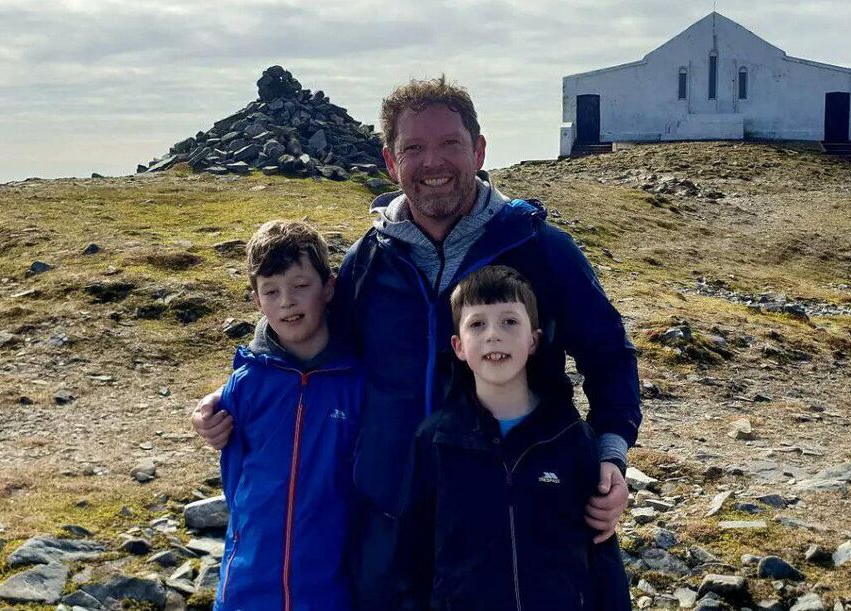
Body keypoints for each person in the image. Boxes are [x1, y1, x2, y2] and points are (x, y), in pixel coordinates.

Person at [193, 76, 641, 610]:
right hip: (390, 521)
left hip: (515, 514)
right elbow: (307, 335)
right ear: (390, 161)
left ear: (478, 150)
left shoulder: (542, 249)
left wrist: (610, 456)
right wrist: (234, 392)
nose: (433, 162)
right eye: (413, 148)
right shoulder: (369, 260)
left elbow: (609, 355)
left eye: (450, 143)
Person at [396, 265, 615, 610]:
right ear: (458, 346)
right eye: (477, 324)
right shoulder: (434, 440)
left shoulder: (571, 437)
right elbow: (412, 556)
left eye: (510, 321)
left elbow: (602, 552)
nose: (493, 335)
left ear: (533, 340)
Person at [213, 220, 362, 611]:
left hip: (331, 591)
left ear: (328, 288)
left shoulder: (357, 383)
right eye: (271, 291)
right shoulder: (246, 385)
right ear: (256, 300)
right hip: (245, 589)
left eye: (300, 286)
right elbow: (234, 484)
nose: (287, 302)